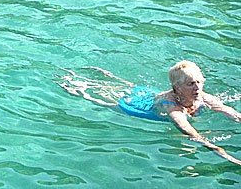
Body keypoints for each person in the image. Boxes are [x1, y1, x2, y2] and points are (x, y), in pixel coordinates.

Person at [58, 62, 241, 165]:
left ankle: (108, 76)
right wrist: (222, 152)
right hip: (141, 105)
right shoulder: (172, 108)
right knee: (110, 102)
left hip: (149, 93)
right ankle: (79, 90)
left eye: (200, 82)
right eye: (191, 84)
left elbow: (230, 112)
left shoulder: (202, 95)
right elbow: (189, 131)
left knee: (128, 88)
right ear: (177, 88)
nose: (198, 88)